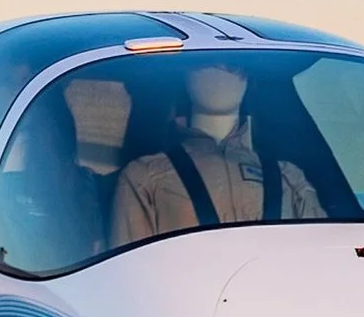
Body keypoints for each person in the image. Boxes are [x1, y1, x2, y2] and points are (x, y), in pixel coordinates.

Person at [110, 63, 321, 246]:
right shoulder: (145, 176)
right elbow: (130, 270)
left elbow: (320, 257)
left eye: (234, 64)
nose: (221, 69)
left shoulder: (289, 177)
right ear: (185, 76)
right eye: (205, 63)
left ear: (248, 78)